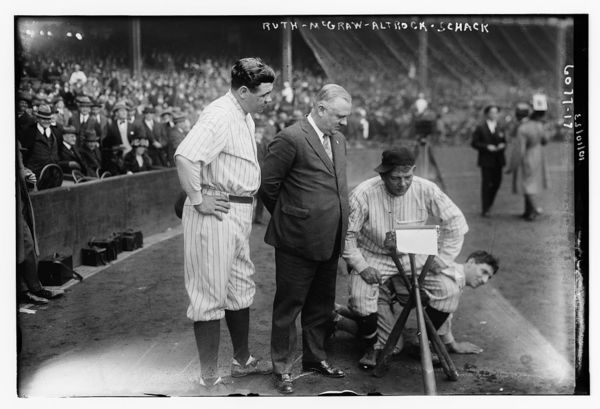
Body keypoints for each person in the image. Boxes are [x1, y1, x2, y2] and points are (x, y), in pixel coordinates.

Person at [174, 57, 276, 388]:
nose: (269, 100)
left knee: (239, 286)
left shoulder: (242, 114)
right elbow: (186, 155)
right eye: (264, 95)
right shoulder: (219, 114)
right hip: (216, 210)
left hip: (237, 211)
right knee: (208, 293)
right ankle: (207, 377)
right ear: (244, 90)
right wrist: (199, 199)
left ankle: (242, 360)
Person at [341, 146, 470, 368]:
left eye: (407, 177)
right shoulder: (363, 194)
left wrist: (444, 258)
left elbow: (456, 222)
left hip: (414, 255)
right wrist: (361, 266)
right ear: (382, 175)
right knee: (361, 299)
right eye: (396, 178)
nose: (402, 184)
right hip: (375, 254)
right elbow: (347, 235)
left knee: (448, 292)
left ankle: (424, 341)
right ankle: (371, 345)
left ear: (413, 171)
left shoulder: (426, 189)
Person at [260, 84, 352, 394]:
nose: (344, 122)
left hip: (330, 237)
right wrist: (293, 219)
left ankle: (315, 359)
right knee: (289, 305)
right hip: (297, 240)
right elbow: (268, 187)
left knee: (321, 305)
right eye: (340, 115)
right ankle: (282, 367)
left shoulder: (338, 140)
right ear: (321, 109)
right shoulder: (291, 138)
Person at [337, 250, 499, 368]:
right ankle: (336, 320)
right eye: (483, 271)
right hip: (379, 292)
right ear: (470, 262)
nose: (484, 280)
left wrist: (452, 344)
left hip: (388, 293)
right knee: (392, 345)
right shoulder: (446, 271)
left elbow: (443, 313)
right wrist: (425, 342)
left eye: (488, 277)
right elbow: (408, 293)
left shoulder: (456, 278)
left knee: (393, 332)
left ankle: (341, 310)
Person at [16, 141, 64, 305]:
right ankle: (28, 290)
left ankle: (31, 289)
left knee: (25, 248)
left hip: (20, 207)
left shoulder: (18, 158)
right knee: (25, 246)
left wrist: (28, 178)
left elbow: (25, 176)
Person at [506, 103, 549, 221]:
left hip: (527, 157)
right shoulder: (538, 124)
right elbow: (545, 140)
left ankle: (534, 209)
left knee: (527, 185)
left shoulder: (522, 128)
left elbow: (519, 150)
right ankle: (528, 211)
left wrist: (511, 166)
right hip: (538, 155)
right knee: (532, 184)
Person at [471, 105, 507, 217]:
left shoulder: (500, 127)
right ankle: (485, 208)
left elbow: (504, 141)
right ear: (487, 114)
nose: (494, 115)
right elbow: (474, 143)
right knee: (486, 183)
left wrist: (502, 145)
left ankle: (490, 202)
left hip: (498, 160)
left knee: (497, 182)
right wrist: (486, 147)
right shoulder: (481, 128)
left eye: (496, 112)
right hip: (486, 160)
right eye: (492, 112)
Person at [19, 104, 61, 178]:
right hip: (34, 175)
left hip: (53, 175)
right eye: (43, 119)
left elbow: (59, 152)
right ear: (37, 119)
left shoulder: (56, 132)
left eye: (48, 119)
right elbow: (23, 154)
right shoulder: (29, 132)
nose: (46, 121)